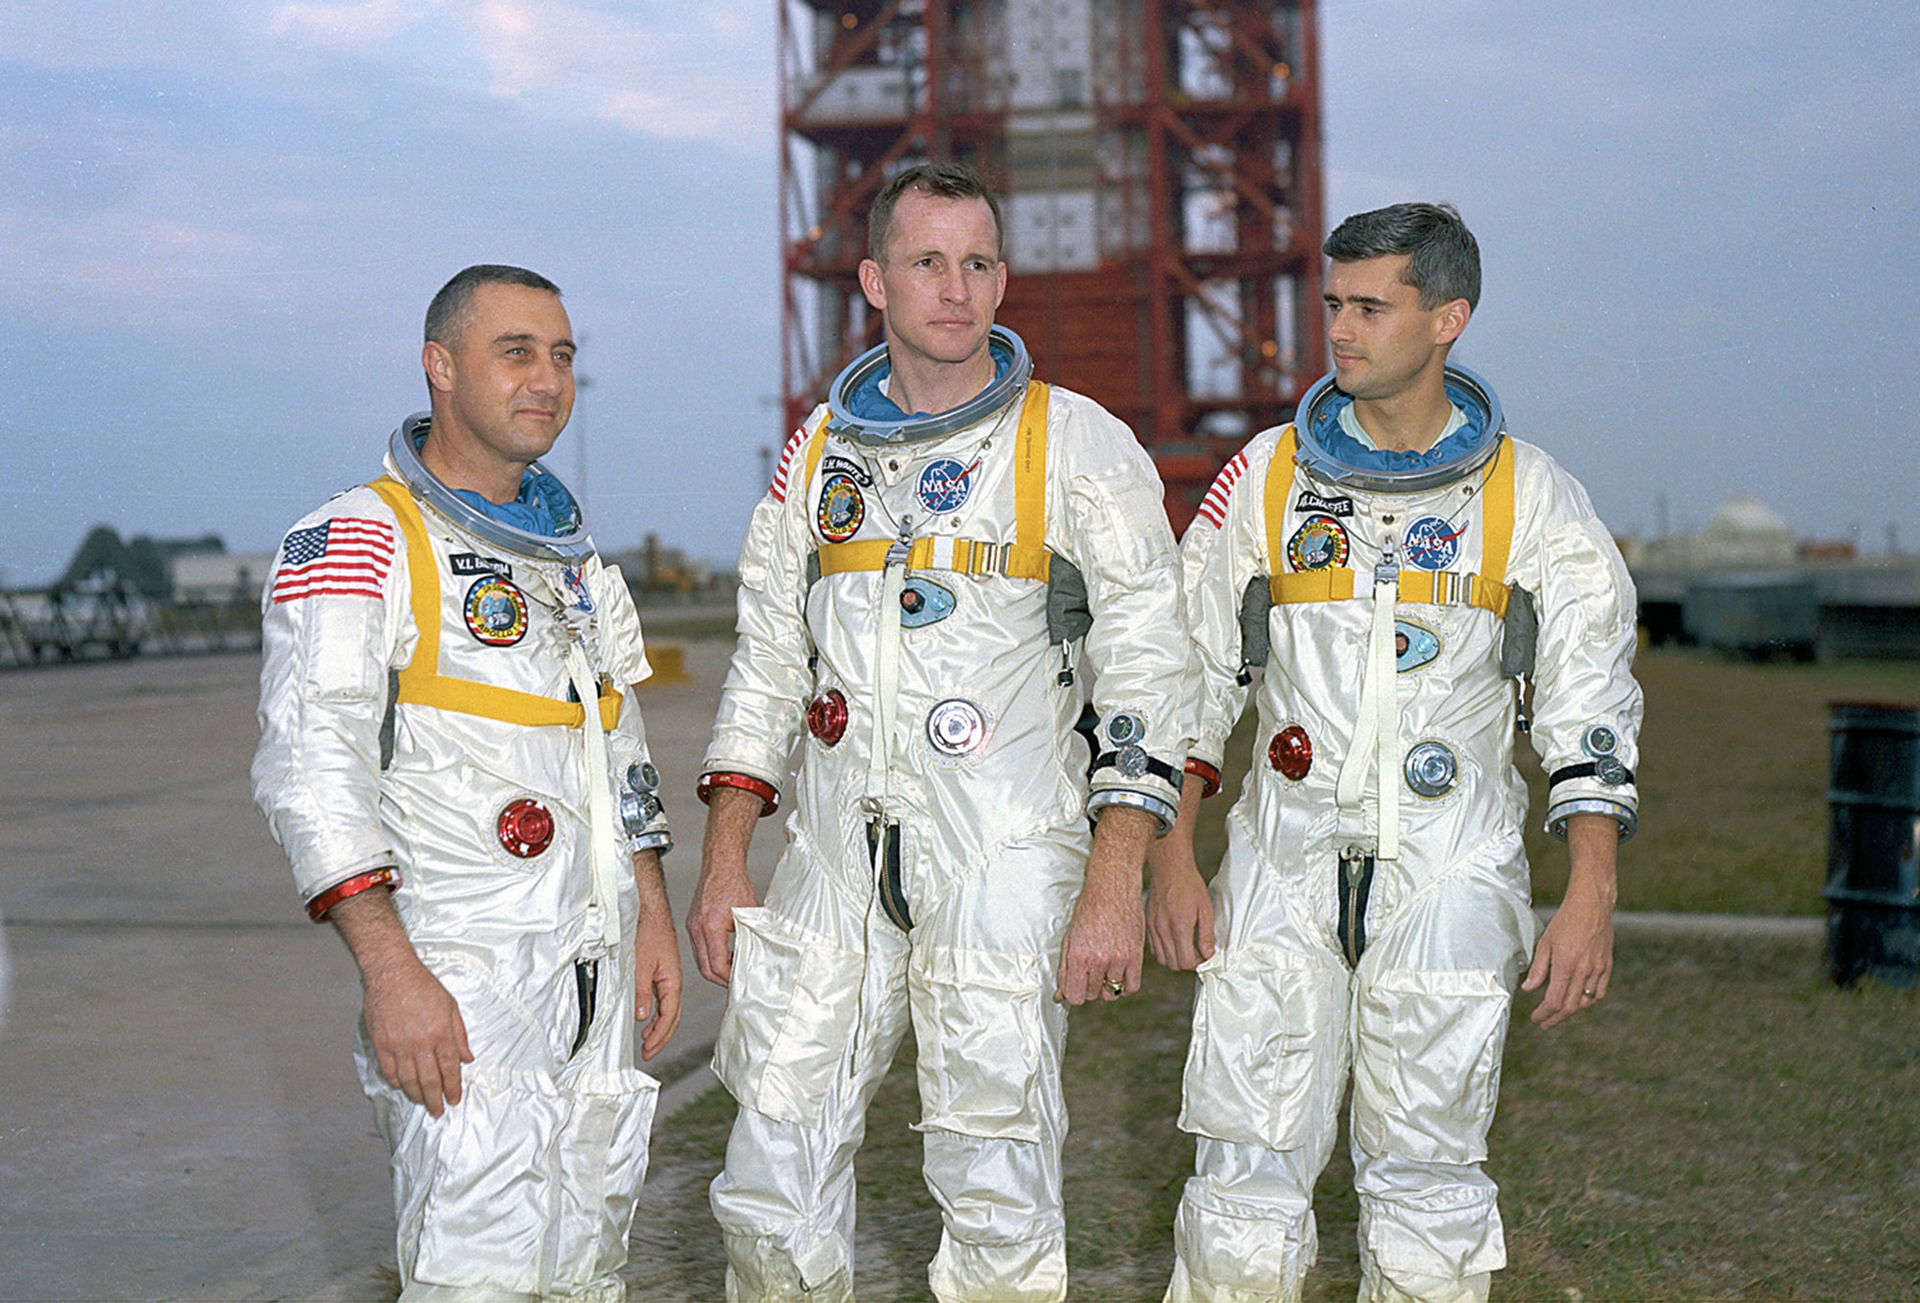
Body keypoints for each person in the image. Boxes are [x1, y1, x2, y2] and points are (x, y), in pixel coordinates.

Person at [685, 162, 1195, 1302]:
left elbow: (1152, 670)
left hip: (1003, 848)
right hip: (833, 855)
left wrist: (1116, 878)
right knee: (772, 1161)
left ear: (1004, 280)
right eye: (928, 261)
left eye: (977, 263)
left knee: (994, 1174)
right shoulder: (819, 454)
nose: (955, 288)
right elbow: (768, 656)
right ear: (874, 278)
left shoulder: (1075, 442)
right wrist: (726, 861)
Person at [1149, 203, 1641, 1303]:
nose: (1341, 328)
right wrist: (1173, 854)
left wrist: (1591, 890)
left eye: (1371, 306)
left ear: (1449, 318)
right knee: (1240, 1183)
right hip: (1279, 866)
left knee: (1429, 1189)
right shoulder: (1268, 479)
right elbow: (1187, 676)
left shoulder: (1532, 499)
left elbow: (1589, 703)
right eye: (1334, 303)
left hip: (1449, 870)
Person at [252, 264, 681, 1302]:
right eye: (517, 351)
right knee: (475, 1271)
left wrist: (650, 911)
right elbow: (308, 767)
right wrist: (391, 972)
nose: (549, 378)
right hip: (461, 979)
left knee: (589, 1264)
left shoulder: (577, 567)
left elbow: (618, 745)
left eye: (564, 355)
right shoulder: (360, 537)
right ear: (441, 367)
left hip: (592, 965)